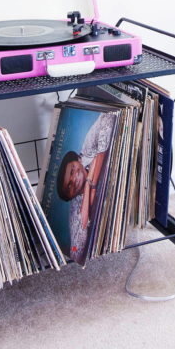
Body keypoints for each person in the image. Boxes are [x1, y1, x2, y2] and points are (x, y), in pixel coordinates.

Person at [55, 110, 117, 263]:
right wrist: (90, 187)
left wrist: (95, 171)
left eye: (72, 171)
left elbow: (108, 117)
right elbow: (76, 251)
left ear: (77, 159)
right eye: (69, 186)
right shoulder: (75, 207)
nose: (73, 179)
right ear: (70, 197)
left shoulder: (87, 150)